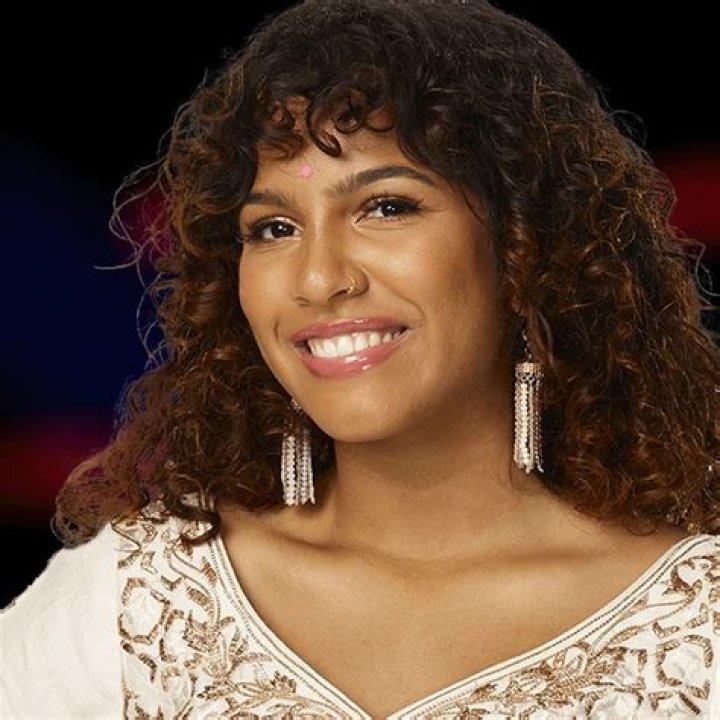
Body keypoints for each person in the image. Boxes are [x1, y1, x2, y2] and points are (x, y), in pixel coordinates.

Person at [2, 0, 719, 717]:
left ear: (524, 250)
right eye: (274, 227)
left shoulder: (698, 625)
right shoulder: (132, 603)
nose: (318, 279)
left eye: (386, 208)